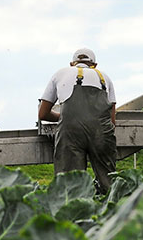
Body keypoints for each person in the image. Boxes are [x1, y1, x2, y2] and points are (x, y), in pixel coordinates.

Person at [38, 48, 117, 193]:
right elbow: (112, 121)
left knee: (70, 186)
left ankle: (74, 214)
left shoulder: (60, 73)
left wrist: (64, 117)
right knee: (109, 184)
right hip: (101, 133)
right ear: (95, 64)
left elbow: (43, 113)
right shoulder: (105, 78)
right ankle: (112, 211)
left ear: (72, 64)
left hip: (71, 133)